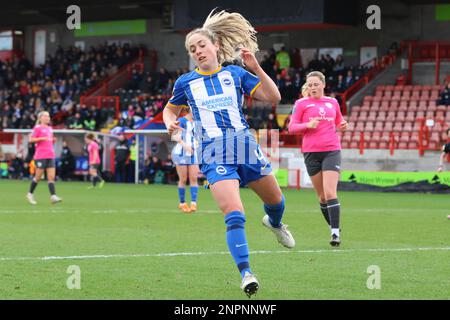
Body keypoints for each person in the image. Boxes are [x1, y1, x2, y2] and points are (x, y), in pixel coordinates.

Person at [162, 9, 295, 297]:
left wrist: (255, 67)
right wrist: (169, 122)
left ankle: (274, 223)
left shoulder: (235, 74)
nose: (197, 51)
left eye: (201, 45)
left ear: (216, 47)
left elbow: (274, 98)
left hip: (244, 146)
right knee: (234, 214)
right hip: (213, 153)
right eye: (192, 49)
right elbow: (170, 108)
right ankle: (246, 273)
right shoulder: (185, 83)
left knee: (276, 201)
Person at [288, 71, 348, 246]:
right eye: (310, 85)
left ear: (323, 84)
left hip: (332, 150)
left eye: (316, 84)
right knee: (322, 197)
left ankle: (335, 234)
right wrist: (308, 125)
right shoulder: (301, 104)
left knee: (330, 192)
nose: (313, 87)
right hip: (311, 153)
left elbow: (339, 122)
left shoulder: (332, 102)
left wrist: (343, 125)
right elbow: (292, 127)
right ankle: (333, 225)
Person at [26, 111, 62, 205]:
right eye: (46, 116)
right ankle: (30, 194)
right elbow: (31, 140)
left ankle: (53, 196)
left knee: (51, 177)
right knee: (38, 177)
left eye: (49, 116)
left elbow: (49, 141)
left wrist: (53, 141)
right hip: (41, 156)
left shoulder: (50, 128)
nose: (48, 118)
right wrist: (42, 138)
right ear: (41, 118)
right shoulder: (37, 128)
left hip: (50, 155)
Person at [171, 110, 199, 213]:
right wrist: (185, 146)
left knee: (193, 177)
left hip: (193, 153)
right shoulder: (181, 121)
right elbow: (174, 136)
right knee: (183, 178)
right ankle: (182, 203)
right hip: (181, 153)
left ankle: (193, 203)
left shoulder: (198, 122)